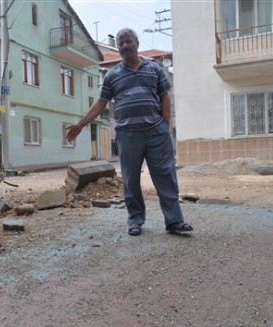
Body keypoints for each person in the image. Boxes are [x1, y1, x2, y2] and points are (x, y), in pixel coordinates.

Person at [66, 28, 193, 237]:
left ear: (136, 43)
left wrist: (164, 125)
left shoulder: (154, 68)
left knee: (165, 177)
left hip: (156, 133)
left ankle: (174, 221)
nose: (125, 45)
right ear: (118, 48)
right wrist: (80, 124)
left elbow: (165, 97)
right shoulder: (112, 75)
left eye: (128, 41)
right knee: (130, 180)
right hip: (128, 135)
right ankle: (135, 220)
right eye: (121, 43)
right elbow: (100, 104)